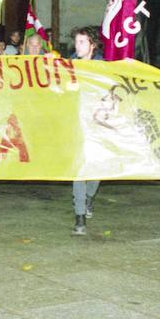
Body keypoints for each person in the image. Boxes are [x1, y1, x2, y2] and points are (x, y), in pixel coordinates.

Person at [68, 26, 104, 235]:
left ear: (93, 45)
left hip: (98, 125)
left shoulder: (102, 67)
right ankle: (79, 216)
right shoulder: (68, 66)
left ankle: (89, 197)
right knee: (79, 170)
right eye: (77, 42)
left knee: (96, 170)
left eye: (82, 42)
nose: (77, 45)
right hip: (76, 125)